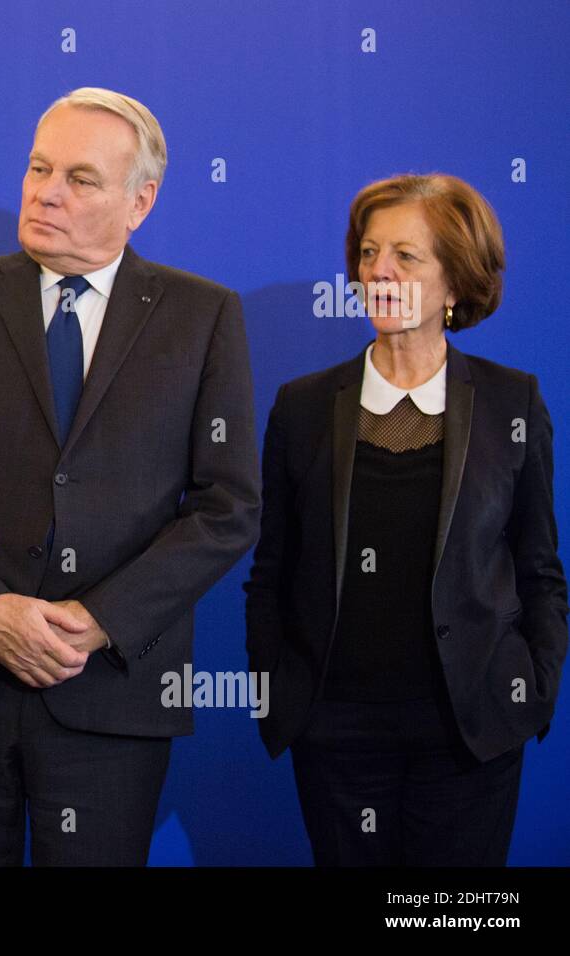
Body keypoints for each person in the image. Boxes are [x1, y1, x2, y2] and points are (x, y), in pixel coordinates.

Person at [0, 87, 260, 865]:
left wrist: (101, 617)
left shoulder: (201, 316)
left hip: (110, 696)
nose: (46, 191)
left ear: (139, 201)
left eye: (80, 178)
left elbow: (227, 506)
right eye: (39, 167)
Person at [244, 173, 567, 865]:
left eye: (406, 256)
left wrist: (533, 689)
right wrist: (278, 688)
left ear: (455, 283)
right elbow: (270, 572)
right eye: (368, 252)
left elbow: (539, 570)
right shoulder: (302, 407)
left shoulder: (513, 403)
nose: (378, 271)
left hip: (471, 732)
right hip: (334, 735)